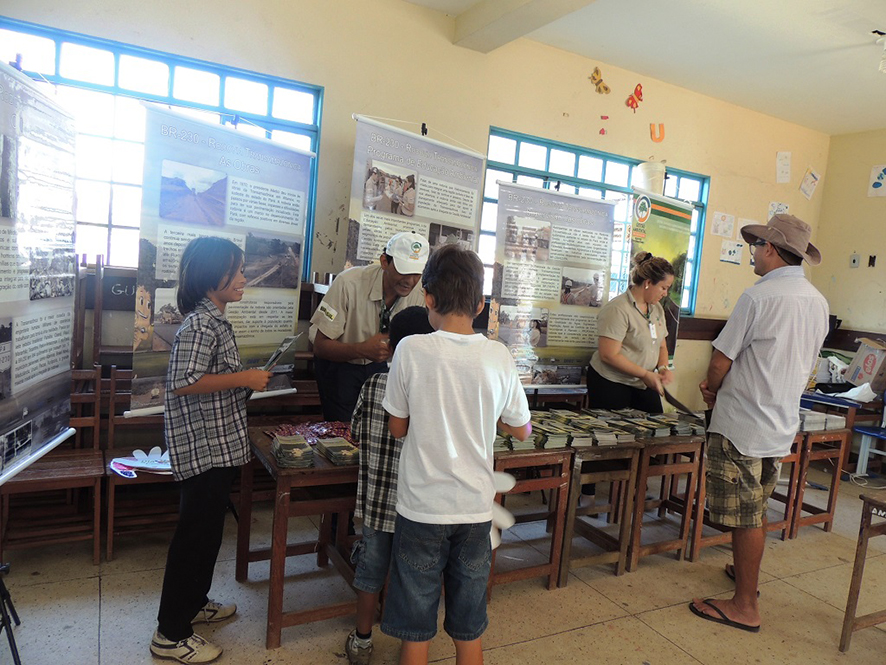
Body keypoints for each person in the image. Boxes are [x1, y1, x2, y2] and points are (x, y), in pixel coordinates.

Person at [381, 244, 532, 665]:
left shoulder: (410, 350)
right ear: (480, 304)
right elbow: (523, 430)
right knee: (468, 626)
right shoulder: (498, 355)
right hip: (474, 510)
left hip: (422, 509)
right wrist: (492, 419)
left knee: (415, 628)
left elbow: (397, 428)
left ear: (427, 298)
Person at [690, 214, 828, 632]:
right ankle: (743, 573)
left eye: (757, 245)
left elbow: (720, 360)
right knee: (757, 506)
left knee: (746, 515)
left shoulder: (758, 297)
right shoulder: (818, 302)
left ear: (770, 249)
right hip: (780, 422)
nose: (753, 251)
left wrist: (711, 390)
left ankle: (745, 605)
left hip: (743, 424)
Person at [150, 237, 273, 664]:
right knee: (193, 537)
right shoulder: (200, 325)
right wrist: (244, 380)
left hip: (218, 445)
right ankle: (170, 633)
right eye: (236, 271)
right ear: (210, 277)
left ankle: (195, 603)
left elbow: (208, 376)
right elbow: (183, 381)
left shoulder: (215, 321)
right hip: (203, 448)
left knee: (208, 534)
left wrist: (247, 377)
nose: (244, 278)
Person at [344, 306, 435, 665]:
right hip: (419, 508)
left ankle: (363, 640)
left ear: (392, 344)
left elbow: (355, 433)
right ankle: (408, 644)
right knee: (412, 578)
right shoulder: (430, 389)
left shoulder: (374, 384)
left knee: (370, 574)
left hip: (376, 508)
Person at [309, 231, 429, 422]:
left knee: (378, 428)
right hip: (341, 367)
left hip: (386, 369)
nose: (409, 281)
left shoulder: (421, 292)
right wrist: (361, 349)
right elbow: (320, 346)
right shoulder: (348, 283)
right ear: (384, 262)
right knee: (342, 432)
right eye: (403, 271)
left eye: (416, 273)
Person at [586, 251, 674, 413]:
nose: (665, 293)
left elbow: (661, 345)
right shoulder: (618, 309)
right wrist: (645, 375)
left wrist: (662, 369)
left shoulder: (657, 309)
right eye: (663, 288)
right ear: (648, 283)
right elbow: (609, 354)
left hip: (643, 381)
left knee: (656, 427)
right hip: (611, 381)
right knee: (614, 435)